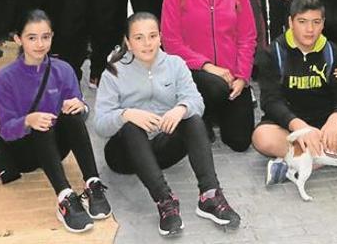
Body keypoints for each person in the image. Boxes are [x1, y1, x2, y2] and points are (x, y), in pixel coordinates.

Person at [95, 12, 241, 236]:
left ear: (161, 37)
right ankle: (165, 201)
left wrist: (180, 108)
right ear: (127, 41)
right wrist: (126, 114)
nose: (147, 43)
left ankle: (210, 195)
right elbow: (101, 124)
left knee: (191, 117)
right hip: (126, 154)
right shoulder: (114, 71)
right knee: (131, 126)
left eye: (152, 36)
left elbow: (196, 101)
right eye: (139, 38)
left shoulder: (175, 64)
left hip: (163, 148)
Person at [0, 10, 111, 233]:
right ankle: (65, 198)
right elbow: (7, 131)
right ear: (18, 39)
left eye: (45, 37)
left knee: (72, 114)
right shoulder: (6, 78)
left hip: (56, 150)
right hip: (24, 151)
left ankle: (92, 184)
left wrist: (82, 107)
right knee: (42, 122)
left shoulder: (64, 70)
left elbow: (81, 115)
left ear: (52, 37)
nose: (40, 44)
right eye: (31, 38)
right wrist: (28, 120)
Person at [251, 0, 337, 185]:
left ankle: (298, 165)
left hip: (330, 125)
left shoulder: (332, 51)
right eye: (302, 22)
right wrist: (300, 127)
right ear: (291, 21)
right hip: (291, 125)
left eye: (316, 22)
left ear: (323, 24)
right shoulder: (273, 53)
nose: (309, 29)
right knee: (262, 138)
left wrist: (335, 119)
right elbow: (270, 101)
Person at [161, 0, 256, 151]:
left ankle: (218, 116)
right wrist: (207, 66)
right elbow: (171, 42)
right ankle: (201, 116)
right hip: (196, 76)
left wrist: (242, 76)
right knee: (213, 87)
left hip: (231, 76)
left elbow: (248, 37)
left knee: (240, 142)